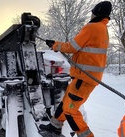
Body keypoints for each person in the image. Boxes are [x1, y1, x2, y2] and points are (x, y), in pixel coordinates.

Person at [39, 1, 112, 137]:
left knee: (70, 109)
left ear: (97, 13)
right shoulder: (103, 29)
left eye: (92, 13)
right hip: (87, 76)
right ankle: (54, 127)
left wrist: (55, 45)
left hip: (84, 78)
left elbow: (72, 46)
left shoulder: (92, 27)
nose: (91, 15)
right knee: (66, 101)